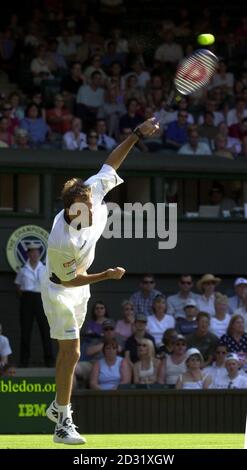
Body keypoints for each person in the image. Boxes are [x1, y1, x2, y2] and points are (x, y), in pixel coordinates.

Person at [42, 117, 159, 445]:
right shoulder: (60, 242)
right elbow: (69, 281)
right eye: (85, 210)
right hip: (60, 290)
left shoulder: (88, 194)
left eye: (92, 207)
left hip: (80, 288)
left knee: (73, 354)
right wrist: (106, 275)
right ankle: (62, 422)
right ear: (70, 210)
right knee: (72, 351)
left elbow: (110, 163)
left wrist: (136, 133)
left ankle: (56, 406)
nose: (93, 213)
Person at [14, 243, 53, 367]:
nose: (34, 254)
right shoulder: (22, 269)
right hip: (27, 299)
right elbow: (18, 286)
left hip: (41, 299)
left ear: (39, 254)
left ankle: (49, 361)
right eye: (32, 252)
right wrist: (27, 297)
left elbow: (49, 285)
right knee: (26, 331)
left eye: (36, 252)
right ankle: (24, 362)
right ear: (28, 254)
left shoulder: (45, 268)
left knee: (45, 331)